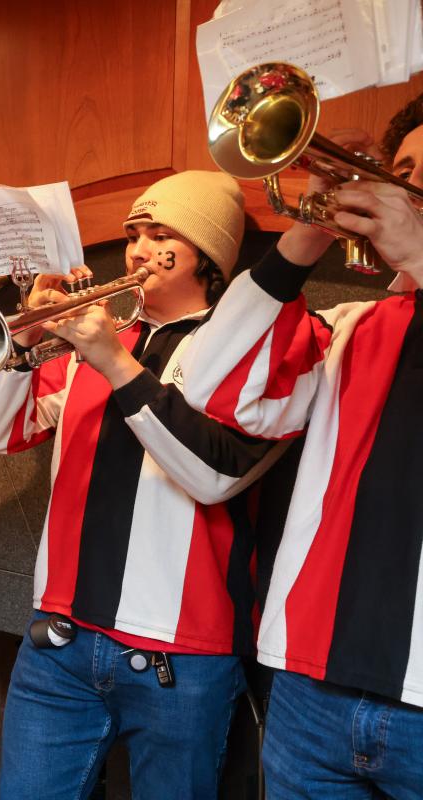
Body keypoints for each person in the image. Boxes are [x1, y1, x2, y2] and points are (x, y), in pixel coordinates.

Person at [0, 171, 283, 798]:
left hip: (183, 655)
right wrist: (26, 342)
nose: (138, 249)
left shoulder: (236, 351)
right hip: (58, 642)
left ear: (208, 254)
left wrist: (111, 360)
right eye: (134, 234)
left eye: (161, 234)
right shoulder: (97, 346)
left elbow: (214, 477)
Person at [178, 96, 423, 797]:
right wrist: (304, 235)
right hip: (309, 691)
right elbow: (215, 386)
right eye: (399, 172)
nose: (404, 192)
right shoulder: (348, 326)